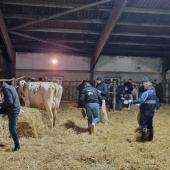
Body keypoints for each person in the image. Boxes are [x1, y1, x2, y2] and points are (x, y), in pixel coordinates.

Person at [128, 77, 157, 142]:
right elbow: (154, 101)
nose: (143, 85)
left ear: (147, 84)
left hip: (145, 111)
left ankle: (143, 139)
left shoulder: (146, 93)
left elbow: (141, 100)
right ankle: (150, 138)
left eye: (144, 84)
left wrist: (132, 101)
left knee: (143, 124)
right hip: (151, 111)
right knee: (150, 124)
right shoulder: (153, 91)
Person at [0, 82, 21, 151]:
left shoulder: (6, 89)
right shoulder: (10, 86)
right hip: (12, 107)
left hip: (13, 110)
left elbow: (10, 102)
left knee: (12, 129)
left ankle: (17, 146)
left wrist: (1, 104)